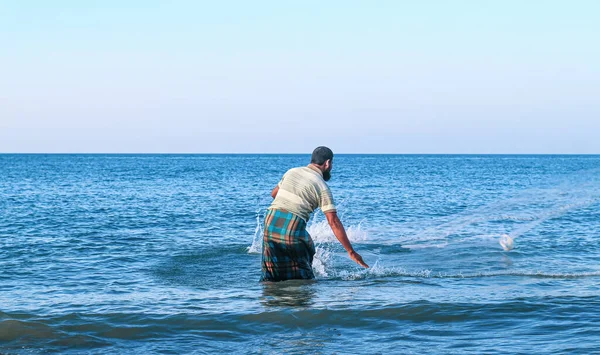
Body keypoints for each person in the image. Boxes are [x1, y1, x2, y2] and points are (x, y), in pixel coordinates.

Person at [260, 146, 368, 282]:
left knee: (272, 271)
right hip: (292, 226)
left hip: (270, 220)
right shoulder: (322, 186)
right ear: (327, 163)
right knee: (305, 272)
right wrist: (351, 252)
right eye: (331, 164)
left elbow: (274, 194)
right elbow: (333, 221)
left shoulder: (292, 172)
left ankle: (269, 300)